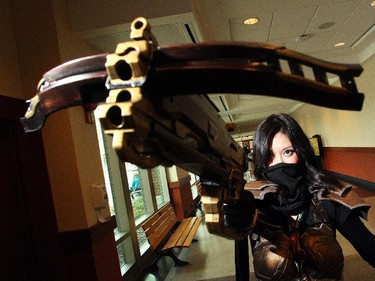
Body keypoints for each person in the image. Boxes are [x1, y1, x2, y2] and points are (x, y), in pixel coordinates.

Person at [224, 113, 375, 280]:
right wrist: (232, 219)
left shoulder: (329, 197)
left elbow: (370, 248)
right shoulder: (254, 203)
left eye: (288, 152)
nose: (279, 163)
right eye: (269, 157)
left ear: (301, 152)